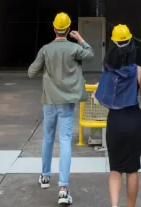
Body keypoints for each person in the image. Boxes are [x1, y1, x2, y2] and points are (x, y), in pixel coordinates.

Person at [28, 12, 94, 205]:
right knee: (65, 141)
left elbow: (31, 72)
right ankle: (63, 189)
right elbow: (90, 54)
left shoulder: (45, 49)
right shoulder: (75, 49)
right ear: (68, 28)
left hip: (49, 100)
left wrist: (47, 68)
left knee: (48, 137)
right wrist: (80, 38)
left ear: (54, 28)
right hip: (67, 102)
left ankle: (45, 176)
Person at [94, 24, 141, 207]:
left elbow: (101, 97)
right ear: (131, 45)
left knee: (115, 168)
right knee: (132, 169)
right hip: (134, 120)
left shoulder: (108, 71)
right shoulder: (139, 71)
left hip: (115, 121)